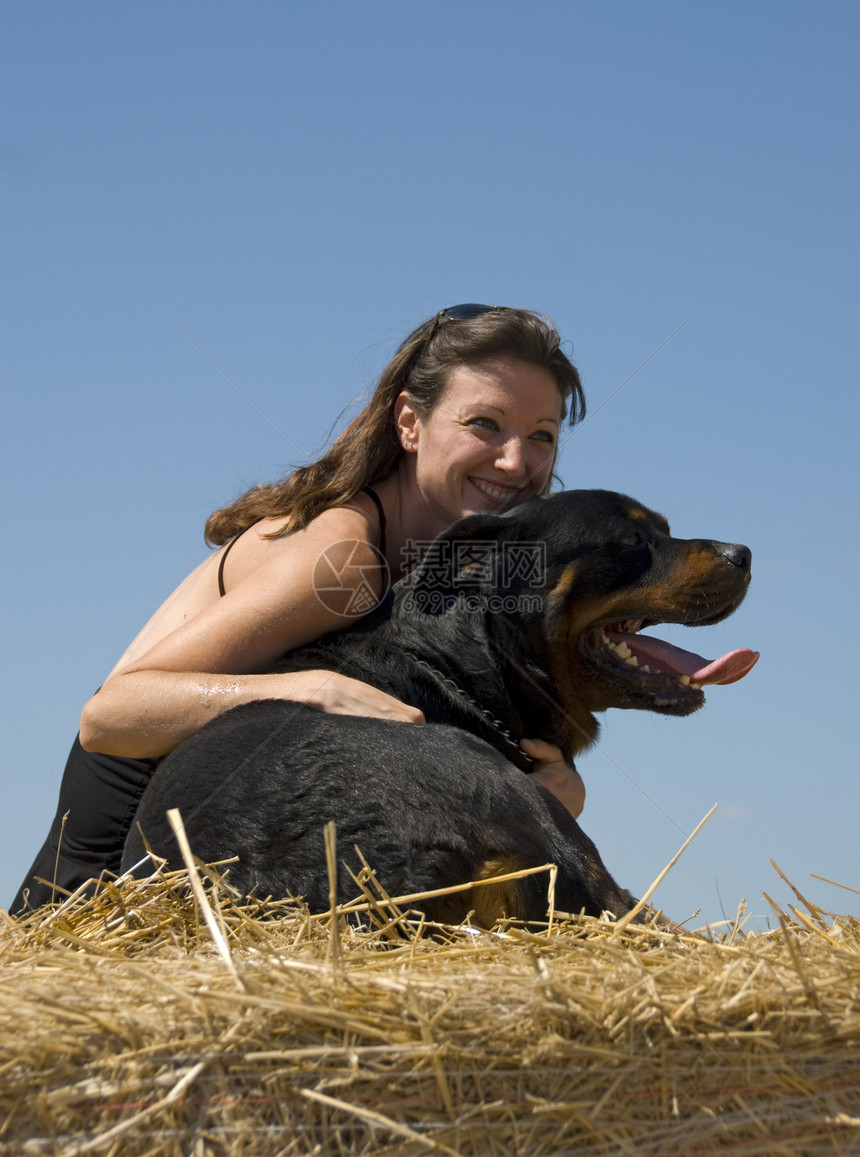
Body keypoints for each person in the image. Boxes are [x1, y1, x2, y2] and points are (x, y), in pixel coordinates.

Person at [12, 304, 588, 914]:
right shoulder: (342, 563)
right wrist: (313, 689)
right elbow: (109, 714)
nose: (516, 462)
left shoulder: (473, 567)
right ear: (410, 423)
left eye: (542, 435)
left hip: (257, 818)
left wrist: (540, 795)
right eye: (485, 423)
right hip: (123, 832)